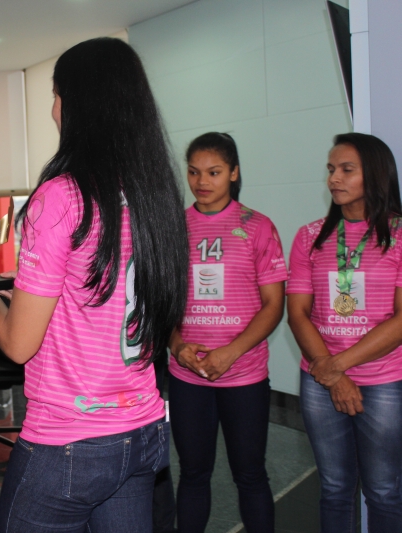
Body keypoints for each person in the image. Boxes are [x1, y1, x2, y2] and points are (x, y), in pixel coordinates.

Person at [0, 37, 188, 533]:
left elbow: (19, 344)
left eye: (56, 95)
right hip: (142, 432)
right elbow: (98, 298)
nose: (52, 110)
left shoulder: (62, 197)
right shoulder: (154, 195)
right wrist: (21, 297)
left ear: (80, 103)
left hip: (68, 442)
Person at [169, 132, 286, 533]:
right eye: (194, 172)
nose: (202, 181)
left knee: (250, 475)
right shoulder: (174, 228)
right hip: (187, 376)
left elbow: (273, 305)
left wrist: (230, 352)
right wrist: (177, 346)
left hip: (244, 376)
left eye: (214, 172)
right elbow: (161, 302)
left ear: (234, 173)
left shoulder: (258, 227)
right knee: (192, 473)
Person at [286, 132, 402, 532]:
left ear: (376, 174)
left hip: (382, 381)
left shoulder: (399, 234)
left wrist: (338, 368)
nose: (334, 178)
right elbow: (298, 313)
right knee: (334, 488)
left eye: (346, 169)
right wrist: (331, 373)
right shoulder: (309, 235)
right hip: (320, 378)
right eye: (331, 169)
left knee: (384, 490)